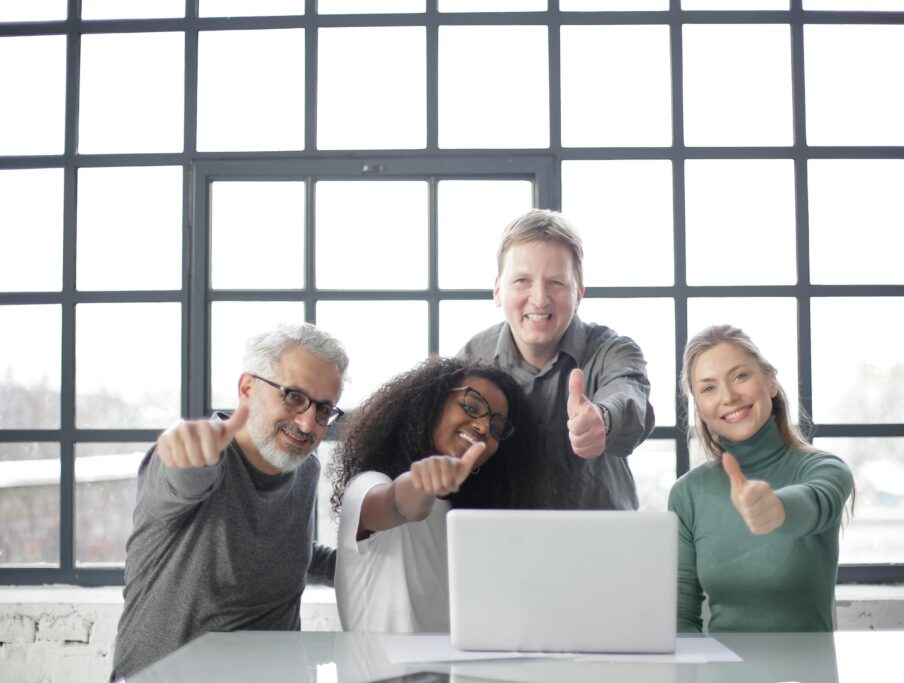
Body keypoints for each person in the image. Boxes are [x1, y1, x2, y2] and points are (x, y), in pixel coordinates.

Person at [111, 323, 348, 678]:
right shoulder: (198, 458)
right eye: (293, 396)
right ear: (247, 388)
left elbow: (284, 548)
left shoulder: (304, 468)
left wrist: (366, 568)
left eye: (324, 410)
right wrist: (186, 457)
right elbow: (185, 479)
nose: (307, 423)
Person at [328, 356, 549, 632]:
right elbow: (399, 503)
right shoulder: (367, 485)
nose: (482, 427)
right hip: (384, 674)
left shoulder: (465, 519)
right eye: (471, 406)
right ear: (429, 405)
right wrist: (423, 482)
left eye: (496, 428)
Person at [460, 208, 654, 510]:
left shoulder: (614, 351)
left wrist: (602, 419)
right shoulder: (471, 359)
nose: (539, 298)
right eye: (522, 280)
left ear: (579, 292)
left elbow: (628, 400)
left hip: (604, 545)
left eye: (556, 283)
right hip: (504, 546)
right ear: (498, 290)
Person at [670, 324, 854, 633]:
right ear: (699, 408)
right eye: (708, 388)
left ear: (770, 381)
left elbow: (816, 502)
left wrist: (776, 508)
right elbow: (679, 619)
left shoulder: (825, 468)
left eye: (740, 376)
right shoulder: (687, 493)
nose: (728, 396)